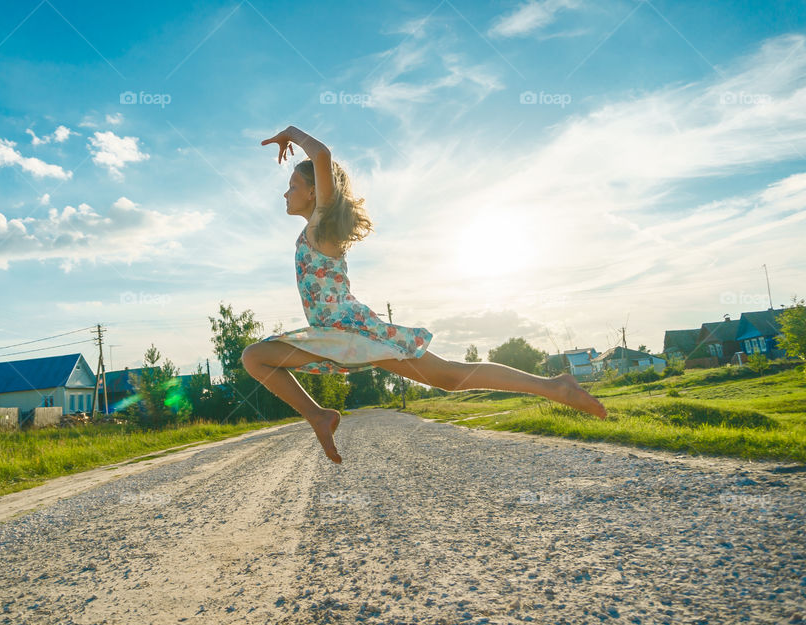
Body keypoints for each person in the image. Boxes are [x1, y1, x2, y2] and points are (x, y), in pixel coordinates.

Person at [242, 125, 607, 465]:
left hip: (354, 333)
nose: (286, 193)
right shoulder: (309, 233)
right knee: (255, 357)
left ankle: (555, 387)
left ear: (314, 192)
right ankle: (319, 416)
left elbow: (321, 155)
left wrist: (291, 133)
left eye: (292, 185)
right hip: (330, 336)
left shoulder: (322, 227)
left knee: (448, 377)